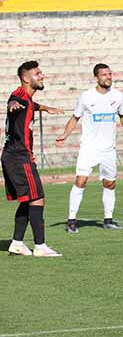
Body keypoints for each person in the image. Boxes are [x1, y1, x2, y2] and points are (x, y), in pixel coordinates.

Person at [56, 63, 123, 233]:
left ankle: (108, 219)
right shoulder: (86, 97)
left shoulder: (118, 96)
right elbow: (75, 117)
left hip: (109, 149)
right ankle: (71, 220)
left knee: (110, 183)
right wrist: (65, 134)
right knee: (81, 180)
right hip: (89, 148)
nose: (108, 77)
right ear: (97, 77)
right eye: (104, 75)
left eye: (110, 74)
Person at [3, 61, 64, 257]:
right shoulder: (19, 96)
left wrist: (46, 108)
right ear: (26, 78)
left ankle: (17, 243)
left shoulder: (28, 100)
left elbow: (31, 105)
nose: (42, 76)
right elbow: (14, 101)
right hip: (19, 157)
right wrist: (12, 106)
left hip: (15, 156)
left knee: (28, 199)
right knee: (37, 198)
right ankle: (40, 246)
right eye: (37, 73)